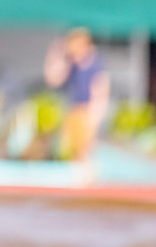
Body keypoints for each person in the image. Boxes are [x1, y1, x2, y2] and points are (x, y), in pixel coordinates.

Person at [44, 27, 109, 171]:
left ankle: (89, 177)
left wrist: (96, 112)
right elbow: (53, 79)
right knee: (72, 147)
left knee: (86, 147)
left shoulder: (95, 62)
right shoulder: (72, 63)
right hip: (75, 109)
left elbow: (101, 87)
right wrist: (57, 53)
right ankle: (81, 176)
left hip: (87, 110)